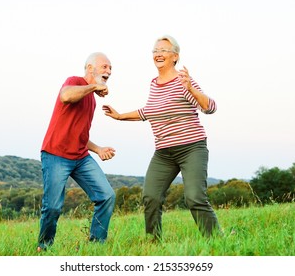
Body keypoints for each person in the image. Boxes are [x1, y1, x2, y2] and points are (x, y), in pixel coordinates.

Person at [103, 35, 221, 240]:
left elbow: (210, 108)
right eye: (155, 50)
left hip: (191, 148)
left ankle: (216, 240)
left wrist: (191, 88)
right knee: (151, 196)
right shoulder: (154, 84)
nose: (158, 54)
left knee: (194, 197)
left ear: (175, 56)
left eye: (164, 50)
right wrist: (120, 116)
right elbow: (150, 111)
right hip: (164, 152)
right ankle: (153, 242)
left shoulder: (184, 81)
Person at [37, 52, 116, 252]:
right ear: (90, 68)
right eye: (104, 66)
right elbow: (65, 95)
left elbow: (80, 134)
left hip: (80, 157)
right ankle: (44, 247)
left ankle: (96, 245)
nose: (109, 71)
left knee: (106, 196)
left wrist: (97, 149)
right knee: (53, 207)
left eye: (110, 69)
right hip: (56, 155)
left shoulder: (92, 101)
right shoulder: (75, 81)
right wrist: (93, 87)